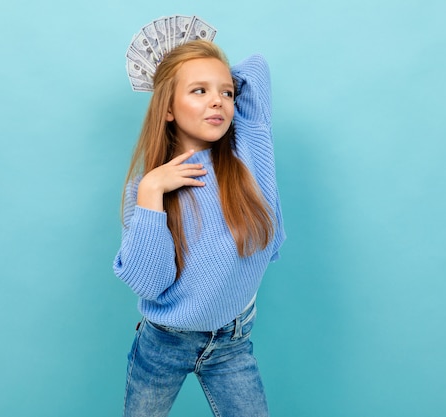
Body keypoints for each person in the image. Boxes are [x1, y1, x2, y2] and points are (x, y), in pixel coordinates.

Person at [113, 39, 285, 417]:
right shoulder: (144, 190)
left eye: (226, 92)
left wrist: (203, 66)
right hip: (164, 344)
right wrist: (152, 191)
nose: (218, 101)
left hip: (232, 341)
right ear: (168, 108)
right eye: (199, 91)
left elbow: (257, 66)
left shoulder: (247, 148)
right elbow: (148, 283)